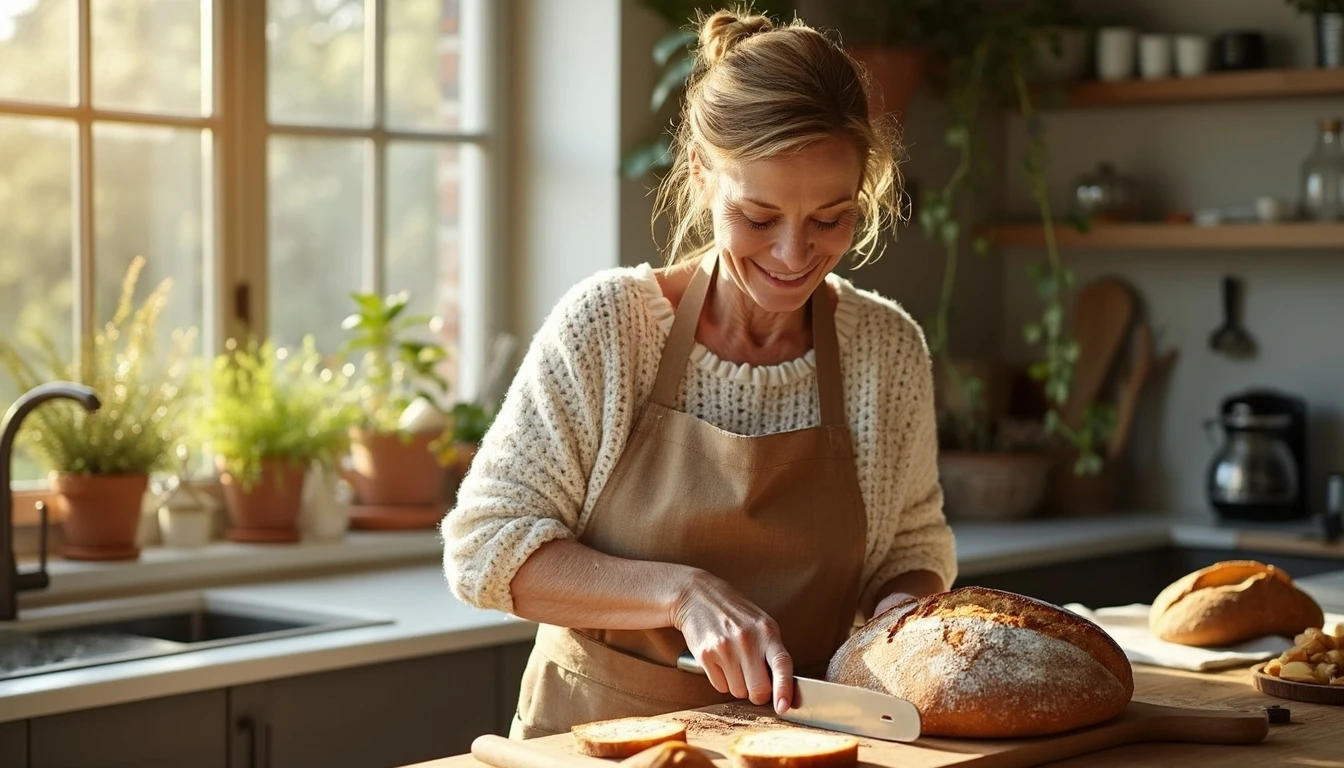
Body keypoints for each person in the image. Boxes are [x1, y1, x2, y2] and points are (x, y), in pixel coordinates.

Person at [441, 6, 957, 740]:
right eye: (758, 215)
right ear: (699, 174)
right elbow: (484, 548)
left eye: (829, 219)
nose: (791, 255)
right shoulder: (611, 327)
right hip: (592, 742)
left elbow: (913, 549)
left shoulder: (886, 350)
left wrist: (906, 614)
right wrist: (678, 593)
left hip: (800, 743)